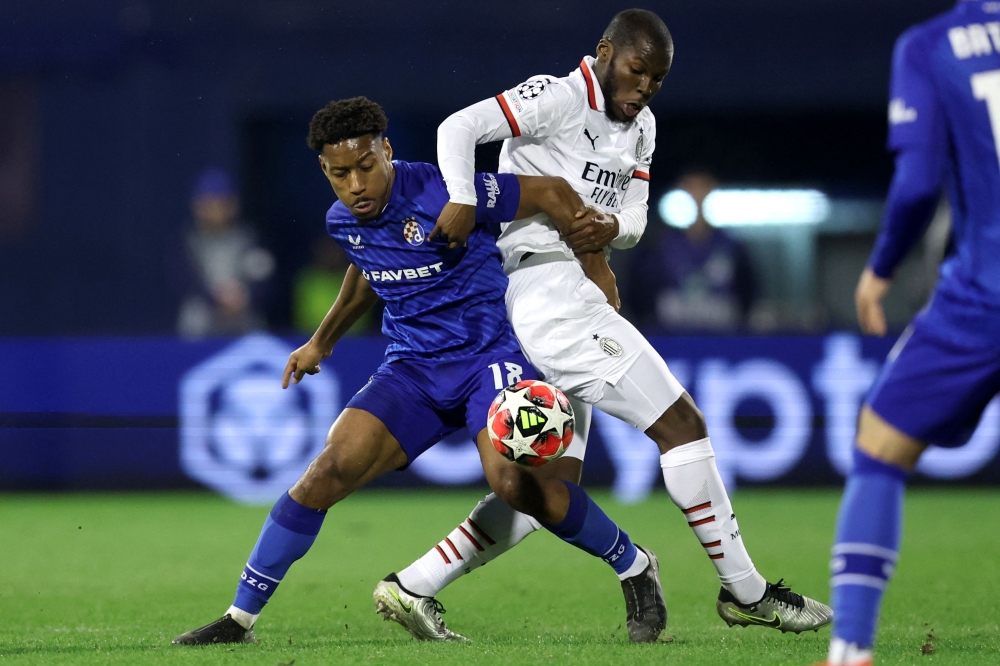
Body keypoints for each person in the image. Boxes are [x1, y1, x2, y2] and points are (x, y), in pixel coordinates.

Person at [384, 8, 832, 642]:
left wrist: (610, 231)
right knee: (682, 425)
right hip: (546, 290)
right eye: (636, 69)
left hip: (566, 291)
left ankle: (413, 585)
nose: (645, 86)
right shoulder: (559, 96)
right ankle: (748, 591)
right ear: (604, 53)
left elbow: (637, 218)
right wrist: (462, 196)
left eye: (656, 78)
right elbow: (459, 126)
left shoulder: (641, 128)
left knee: (546, 486)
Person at [172, 97, 667, 645]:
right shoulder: (343, 221)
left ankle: (635, 565)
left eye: (366, 166)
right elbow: (368, 271)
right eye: (341, 174)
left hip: (489, 360)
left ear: (387, 150)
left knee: (515, 483)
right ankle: (239, 621)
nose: (356, 184)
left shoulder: (445, 190)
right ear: (324, 171)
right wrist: (320, 342)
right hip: (412, 369)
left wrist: (597, 266)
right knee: (325, 473)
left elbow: (550, 192)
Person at [817, 2, 1000, 665]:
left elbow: (919, 182)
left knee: (879, 447)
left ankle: (851, 650)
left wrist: (880, 270)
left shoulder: (933, 45)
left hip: (985, 292)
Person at [628, 171, 757, 332]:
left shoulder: (733, 247)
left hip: (722, 340)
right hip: (667, 340)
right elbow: (639, 295)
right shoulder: (656, 246)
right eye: (690, 188)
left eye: (703, 188)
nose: (697, 196)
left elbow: (747, 295)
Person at [174, 168, 275, 337]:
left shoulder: (249, 239)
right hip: (204, 314)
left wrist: (246, 295)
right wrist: (215, 298)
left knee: (255, 325)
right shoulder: (187, 241)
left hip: (242, 312)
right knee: (193, 316)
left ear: (233, 205)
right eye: (209, 204)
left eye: (221, 203)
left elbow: (264, 277)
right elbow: (184, 279)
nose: (215, 210)